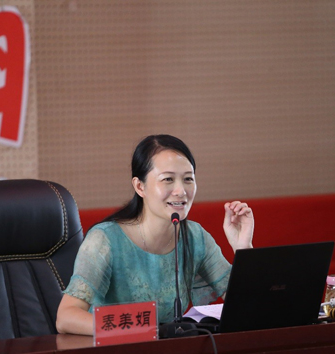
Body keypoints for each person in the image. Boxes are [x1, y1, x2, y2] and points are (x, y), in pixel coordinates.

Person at [56, 134, 254, 335]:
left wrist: (243, 248)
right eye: (168, 179)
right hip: (114, 349)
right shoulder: (105, 239)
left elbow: (247, 306)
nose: (181, 191)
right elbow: (66, 317)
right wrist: (146, 331)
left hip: (167, 349)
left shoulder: (195, 237)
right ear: (139, 186)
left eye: (188, 179)